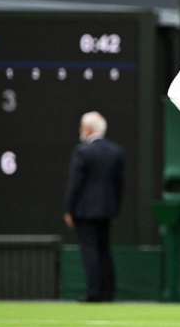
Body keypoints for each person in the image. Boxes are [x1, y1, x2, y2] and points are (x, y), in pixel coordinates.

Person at [64, 112, 124, 303]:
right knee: (104, 249)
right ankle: (108, 291)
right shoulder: (116, 151)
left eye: (82, 127)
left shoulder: (83, 151)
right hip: (107, 211)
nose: (80, 130)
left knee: (89, 250)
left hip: (85, 211)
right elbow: (120, 184)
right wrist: (115, 209)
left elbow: (75, 184)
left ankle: (94, 292)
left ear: (89, 129)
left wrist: (69, 210)